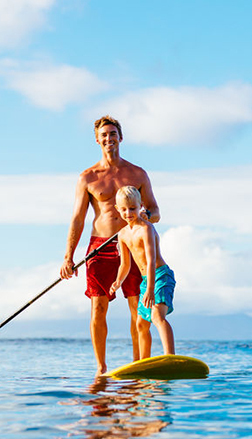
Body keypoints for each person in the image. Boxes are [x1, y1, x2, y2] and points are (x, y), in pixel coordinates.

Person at [60, 115, 160, 377]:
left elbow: (155, 210)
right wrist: (68, 256)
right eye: (104, 135)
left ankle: (139, 364)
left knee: (138, 305)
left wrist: (143, 218)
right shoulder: (88, 177)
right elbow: (78, 218)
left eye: (113, 133)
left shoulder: (138, 174)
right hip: (99, 247)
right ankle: (101, 368)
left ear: (120, 137)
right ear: (97, 140)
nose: (109, 138)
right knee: (98, 307)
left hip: (133, 243)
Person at [110, 186, 175, 359]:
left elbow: (151, 259)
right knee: (140, 324)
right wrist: (118, 282)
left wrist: (150, 288)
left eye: (132, 208)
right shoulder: (122, 234)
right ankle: (144, 362)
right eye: (124, 209)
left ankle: (170, 357)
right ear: (117, 209)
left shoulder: (146, 229)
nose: (128, 212)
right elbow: (125, 264)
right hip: (146, 280)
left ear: (141, 206)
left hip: (160, 276)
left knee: (156, 316)